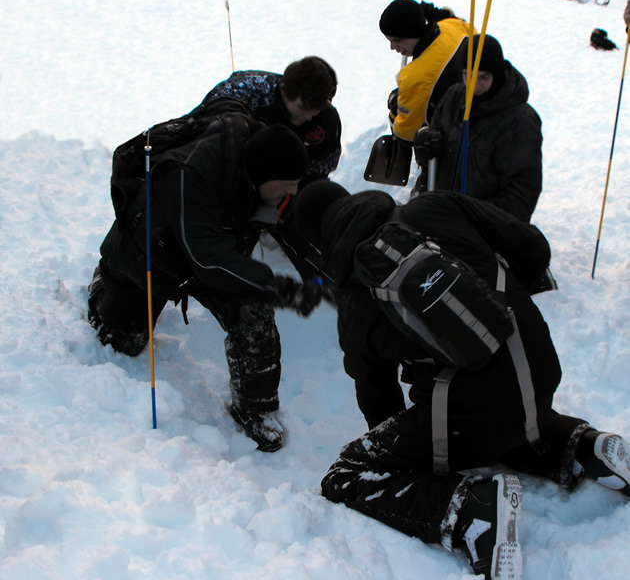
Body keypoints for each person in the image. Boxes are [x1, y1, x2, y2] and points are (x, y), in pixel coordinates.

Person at [293, 180, 630, 579]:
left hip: (477, 413)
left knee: (348, 473)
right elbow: (533, 248)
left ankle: (472, 510)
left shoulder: (354, 298)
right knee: (503, 418)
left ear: (318, 245)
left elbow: (378, 397)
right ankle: (582, 448)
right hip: (540, 362)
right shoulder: (433, 206)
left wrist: (404, 451)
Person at [88, 116, 323, 453]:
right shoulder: (189, 173)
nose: (293, 191)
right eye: (287, 184)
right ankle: (104, 283)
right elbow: (209, 260)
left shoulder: (270, 179)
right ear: (262, 174)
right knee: (121, 341)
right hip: (154, 255)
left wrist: (328, 278)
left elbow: (295, 230)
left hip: (215, 253)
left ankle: (256, 410)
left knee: (254, 314)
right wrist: (280, 287)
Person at [413, 34, 542, 223]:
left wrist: (477, 221)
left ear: (496, 75)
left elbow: (522, 191)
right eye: (468, 75)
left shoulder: (521, 120)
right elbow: (431, 161)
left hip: (484, 226)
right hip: (440, 214)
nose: (474, 85)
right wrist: (425, 144)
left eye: (483, 77)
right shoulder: (454, 97)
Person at [189, 56, 341, 182]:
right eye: (302, 108)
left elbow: (325, 165)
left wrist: (291, 164)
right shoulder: (242, 94)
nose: (308, 117)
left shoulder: (327, 120)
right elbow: (199, 131)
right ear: (284, 92)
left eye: (315, 111)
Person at [379, 0, 470, 143]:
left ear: (411, 32)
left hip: (450, 143)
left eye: (397, 40)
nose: (392, 47)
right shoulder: (452, 26)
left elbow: (405, 133)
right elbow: (454, 20)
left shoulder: (415, 77)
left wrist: (397, 104)